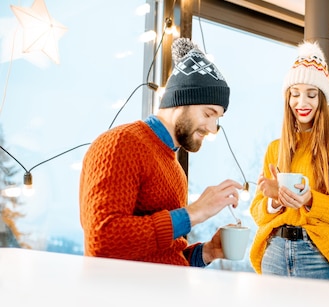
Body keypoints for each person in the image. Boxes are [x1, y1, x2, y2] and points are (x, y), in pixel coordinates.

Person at [79, 38, 242, 267]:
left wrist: (206, 252)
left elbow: (163, 254)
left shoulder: (175, 169)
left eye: (218, 119)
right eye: (208, 114)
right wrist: (193, 213)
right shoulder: (121, 143)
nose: (213, 128)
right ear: (180, 101)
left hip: (163, 296)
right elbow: (103, 240)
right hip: (123, 299)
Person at [249, 41, 329, 282]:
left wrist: (311, 199)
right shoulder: (275, 148)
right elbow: (257, 213)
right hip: (275, 252)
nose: (301, 103)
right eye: (295, 94)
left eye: (311, 94)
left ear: (323, 99)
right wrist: (273, 201)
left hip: (319, 256)